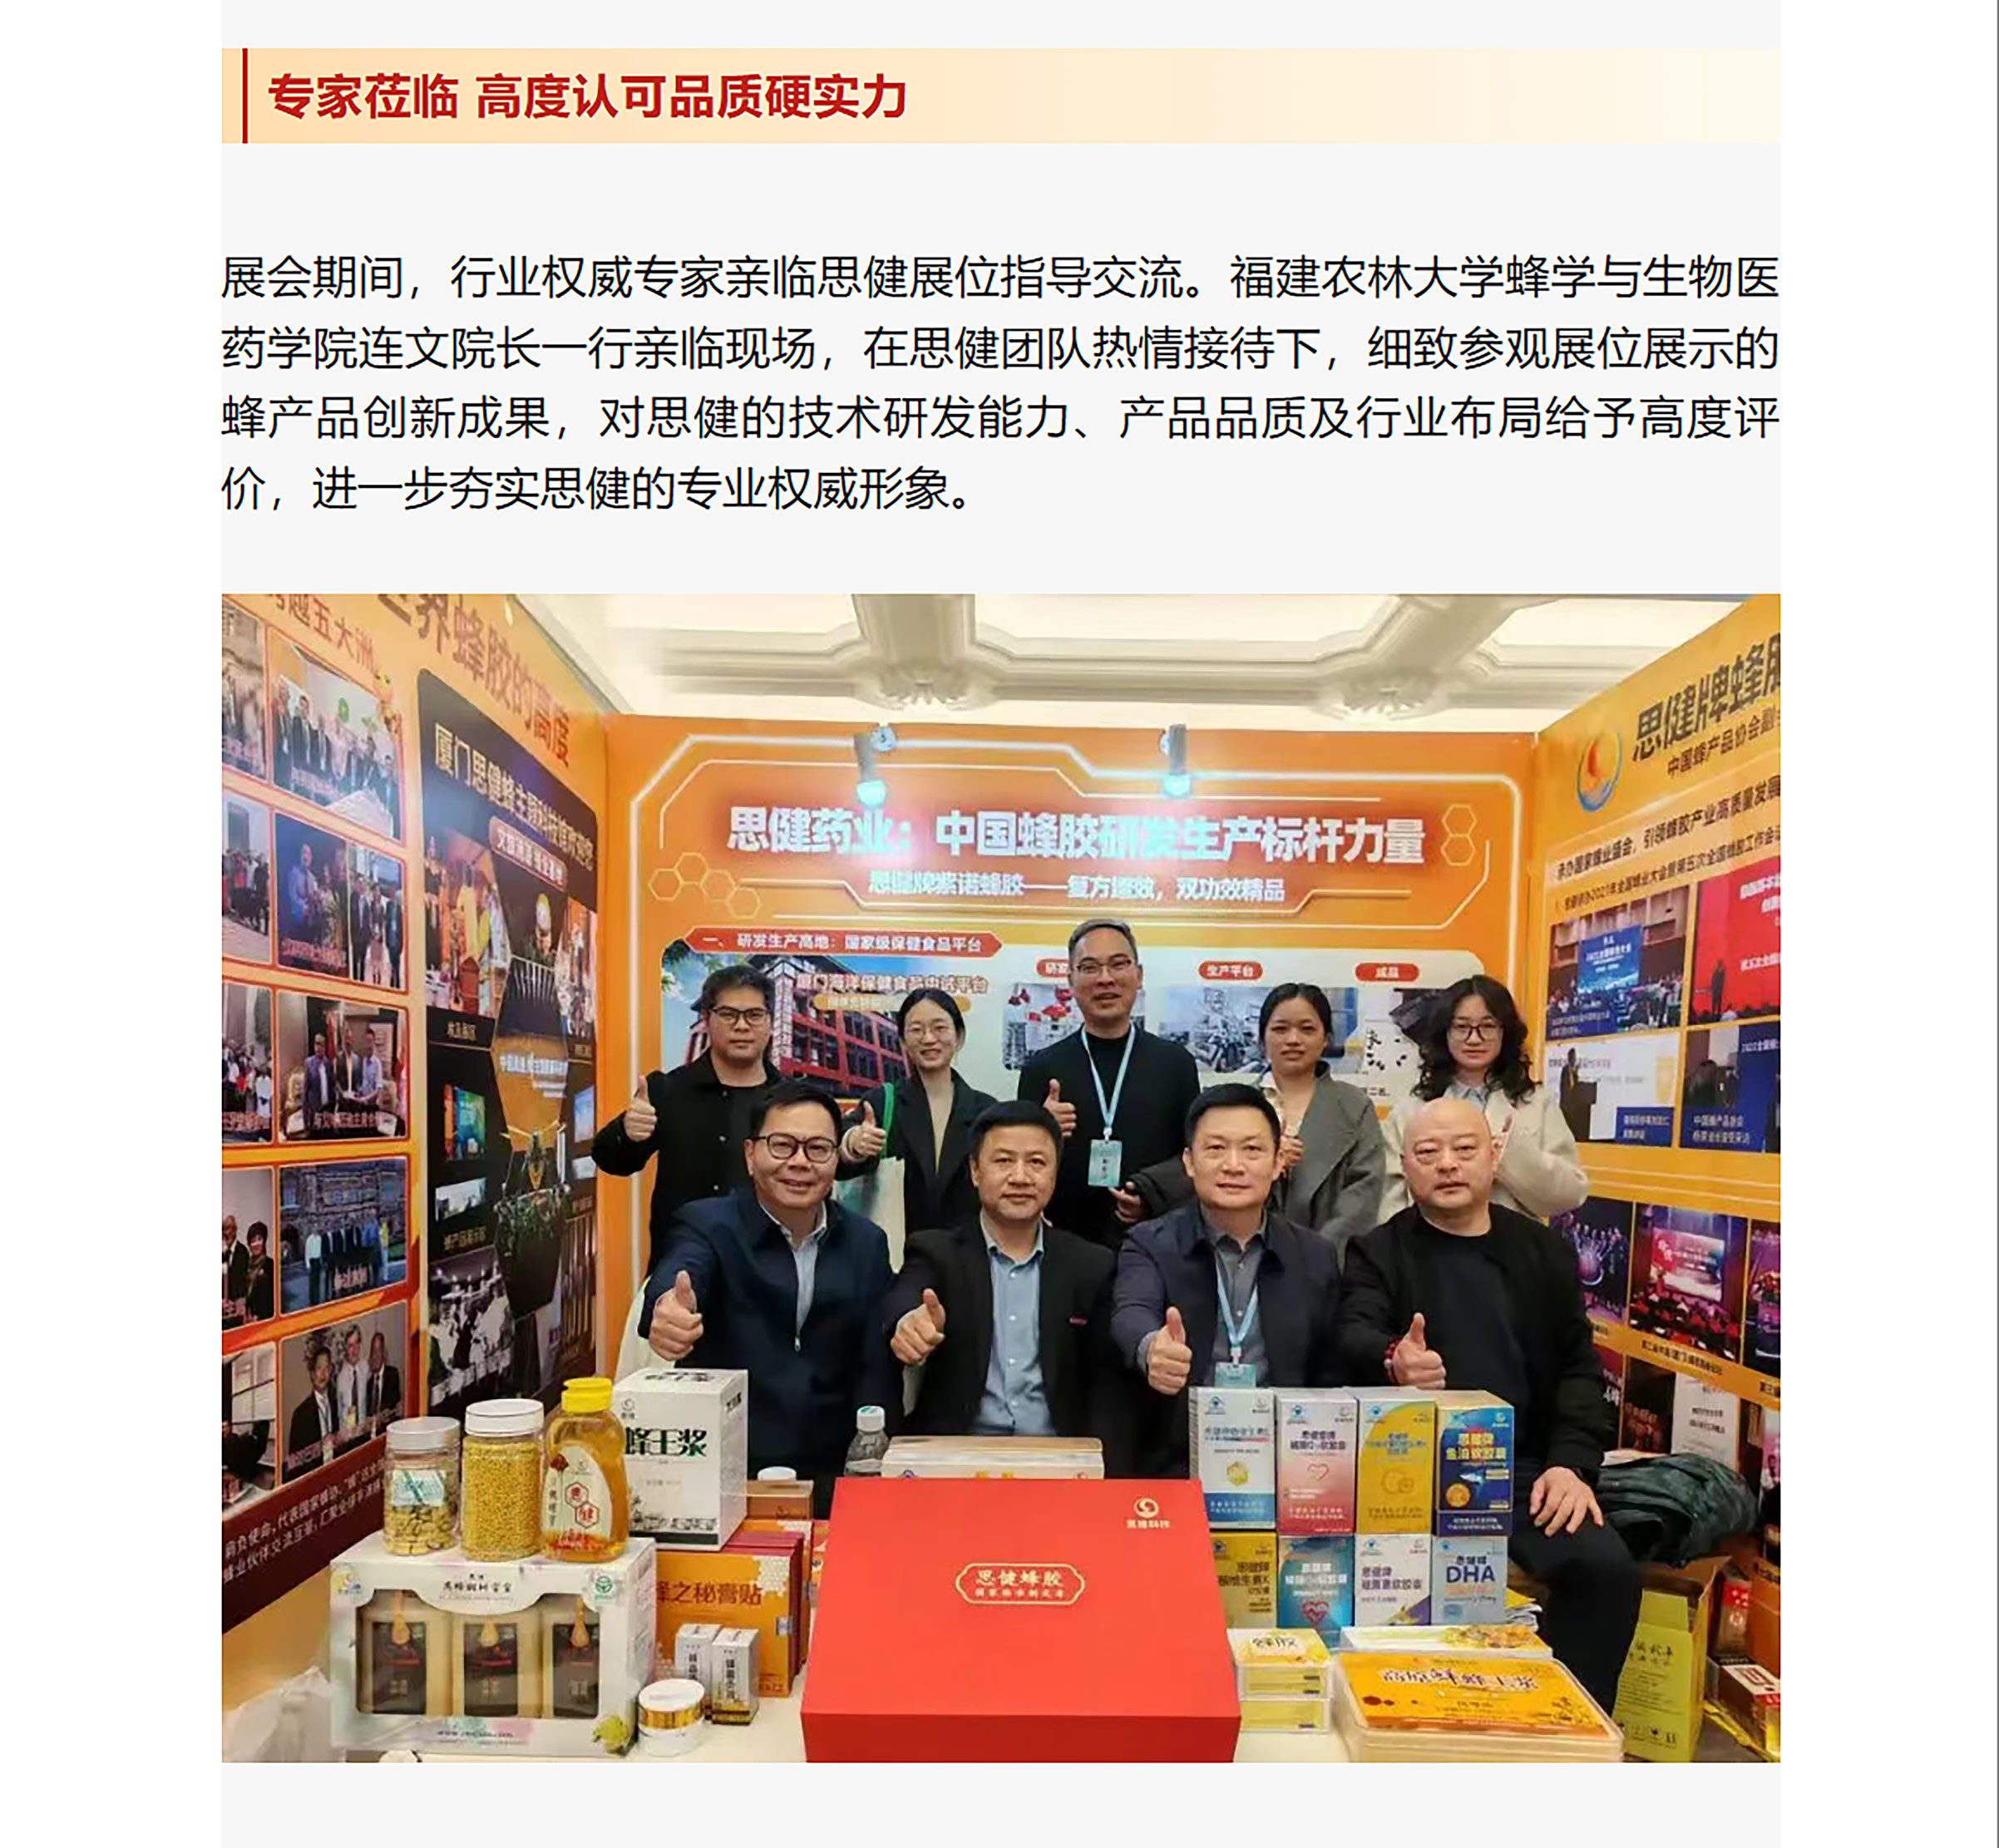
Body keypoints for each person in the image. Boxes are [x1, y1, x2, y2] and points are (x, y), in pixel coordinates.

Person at [1337, 1095, 1639, 1712]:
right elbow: (1351, 1331)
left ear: (1494, 1156)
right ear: (1406, 1166)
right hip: (1410, 1471)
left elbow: (1580, 1369)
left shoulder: (1542, 1251)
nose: (1447, 1164)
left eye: (1464, 1148)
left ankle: (1569, 1728)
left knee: (1604, 1569)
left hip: (1524, 1472)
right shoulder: (1377, 1250)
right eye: (1428, 1152)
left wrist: (1571, 1465)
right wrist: (1394, 1358)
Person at [640, 1079, 896, 1515]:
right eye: (782, 1145)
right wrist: (667, 1308)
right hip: (727, 1475)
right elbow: (682, 1270)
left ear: (836, 1159)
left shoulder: (866, 1243)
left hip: (835, 1475)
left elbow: (876, 1365)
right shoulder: (708, 1225)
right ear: (750, 1154)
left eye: (818, 1149)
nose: (799, 1162)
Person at [1110, 1084, 1344, 1477]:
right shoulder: (1150, 1242)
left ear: (1278, 1162)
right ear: (1189, 1162)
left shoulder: (1315, 1255)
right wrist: (1152, 1349)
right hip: (1179, 1463)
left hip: (1287, 1464)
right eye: (1216, 1149)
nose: (1233, 1165)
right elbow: (1131, 1309)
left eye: (1252, 1150)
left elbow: (1329, 1369)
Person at [881, 1100, 1127, 1467]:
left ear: (1055, 1173)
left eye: (1037, 1162)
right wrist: (908, 1324)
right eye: (1003, 1161)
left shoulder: (1091, 1265)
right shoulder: (937, 1252)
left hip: (1059, 1460)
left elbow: (1107, 1385)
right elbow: (906, 1297)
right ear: (975, 1171)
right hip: (956, 1461)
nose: (1020, 1177)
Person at [1129, 983, 1384, 1266]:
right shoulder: (1232, 1106)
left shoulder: (1354, 1106)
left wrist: (1317, 1258)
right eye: (1280, 1029)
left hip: (1329, 1264)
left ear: (1326, 1039)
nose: (1293, 1039)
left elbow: (1363, 1194)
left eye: (1307, 1029)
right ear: (1262, 1039)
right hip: (1235, 1257)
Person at [1016, 919, 1201, 1248]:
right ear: (1070, 980)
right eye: (1089, 967)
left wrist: (1152, 1195)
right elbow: (1019, 1160)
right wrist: (1041, 1129)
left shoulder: (1176, 1064)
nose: (1105, 978)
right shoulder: (1042, 1068)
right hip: (1064, 1244)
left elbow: (1194, 1155)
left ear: (1138, 975)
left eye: (1118, 964)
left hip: (1159, 1242)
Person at [595, 964, 783, 1274]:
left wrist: (853, 1148)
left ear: (770, 1023)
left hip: (771, 1272)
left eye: (754, 1015)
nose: (741, 1026)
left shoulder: (790, 1099)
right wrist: (627, 1132)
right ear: (707, 1020)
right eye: (728, 1014)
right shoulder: (668, 1090)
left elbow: (833, 1161)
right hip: (682, 1269)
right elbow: (609, 1159)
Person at [1378, 977, 1589, 1224]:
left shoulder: (1536, 1102)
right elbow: (1388, 1203)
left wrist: (1510, 1157)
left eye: (1487, 1026)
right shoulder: (1411, 1108)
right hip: (1427, 1244)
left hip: (1512, 1245)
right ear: (1445, 1033)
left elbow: (1570, 1195)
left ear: (1505, 1032)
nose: (1474, 1039)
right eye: (1462, 1027)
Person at [837, 988, 1000, 1235]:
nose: (928, 1038)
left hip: (968, 1248)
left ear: (959, 1037)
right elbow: (840, 1155)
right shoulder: (882, 1102)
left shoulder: (986, 1110)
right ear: (903, 1042)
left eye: (939, 1028)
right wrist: (853, 1145)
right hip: (899, 1248)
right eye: (916, 1030)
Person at [287, 1343, 339, 1478]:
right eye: (319, 1368)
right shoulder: (300, 1414)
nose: (323, 1374)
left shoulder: (338, 1402)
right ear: (311, 1373)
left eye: (327, 1368)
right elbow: (295, 1463)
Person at [365, 1329, 402, 1427]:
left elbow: (395, 1407)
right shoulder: (369, 1384)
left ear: (384, 1353)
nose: (376, 1356)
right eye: (373, 1351)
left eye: (379, 1351)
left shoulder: (392, 1374)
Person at [222, 1215, 249, 1326]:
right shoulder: (222, 1253)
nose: (227, 1233)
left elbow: (243, 1280)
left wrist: (235, 1302)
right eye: (225, 1229)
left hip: (238, 1304)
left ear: (235, 1231)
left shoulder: (242, 1251)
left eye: (230, 1229)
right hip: (224, 1306)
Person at [244, 1222, 274, 1323]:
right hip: (247, 1320)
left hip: (264, 1320)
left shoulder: (270, 1265)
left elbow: (272, 1299)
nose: (256, 1244)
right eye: (253, 1241)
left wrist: (259, 1317)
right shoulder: (245, 1265)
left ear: (264, 1241)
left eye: (259, 1239)